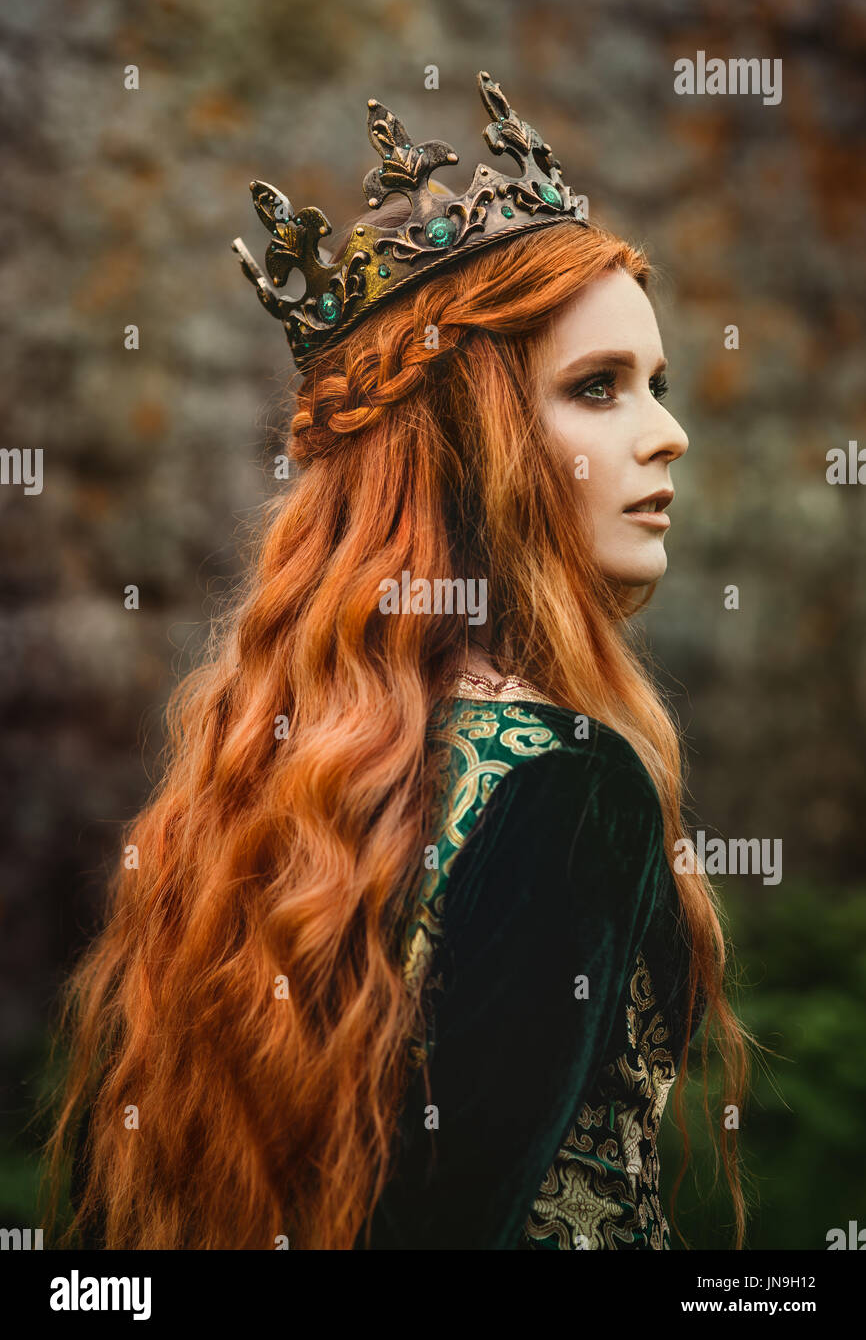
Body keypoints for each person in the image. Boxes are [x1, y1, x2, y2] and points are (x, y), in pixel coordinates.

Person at [44, 71, 752, 1250]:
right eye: (596, 388)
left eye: (656, 385)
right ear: (470, 443)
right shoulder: (571, 787)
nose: (665, 429)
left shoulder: (273, 787)